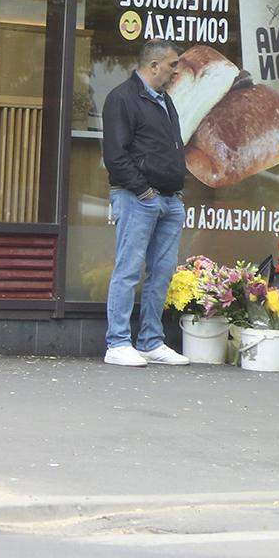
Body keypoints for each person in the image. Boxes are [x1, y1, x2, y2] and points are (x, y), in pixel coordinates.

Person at [101, 40, 191, 367]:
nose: (175, 71)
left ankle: (151, 341)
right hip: (139, 198)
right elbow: (115, 156)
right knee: (128, 269)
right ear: (154, 65)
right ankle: (118, 343)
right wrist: (143, 191)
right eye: (171, 65)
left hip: (168, 199)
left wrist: (174, 191)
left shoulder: (164, 100)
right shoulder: (122, 98)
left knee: (161, 273)